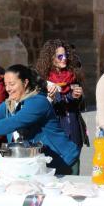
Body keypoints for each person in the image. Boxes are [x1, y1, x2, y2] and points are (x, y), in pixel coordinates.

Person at [0, 64, 79, 175]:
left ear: (25, 83)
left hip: (63, 160)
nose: (8, 88)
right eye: (6, 84)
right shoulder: (11, 103)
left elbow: (13, 122)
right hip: (39, 163)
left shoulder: (38, 102)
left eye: (12, 84)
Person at [35, 39, 89, 174]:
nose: (64, 59)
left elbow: (82, 107)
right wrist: (49, 99)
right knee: (55, 175)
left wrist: (78, 97)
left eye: (65, 55)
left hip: (74, 132)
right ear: (51, 58)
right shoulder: (42, 81)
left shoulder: (73, 77)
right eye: (60, 56)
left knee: (74, 174)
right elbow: (38, 110)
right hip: (54, 135)